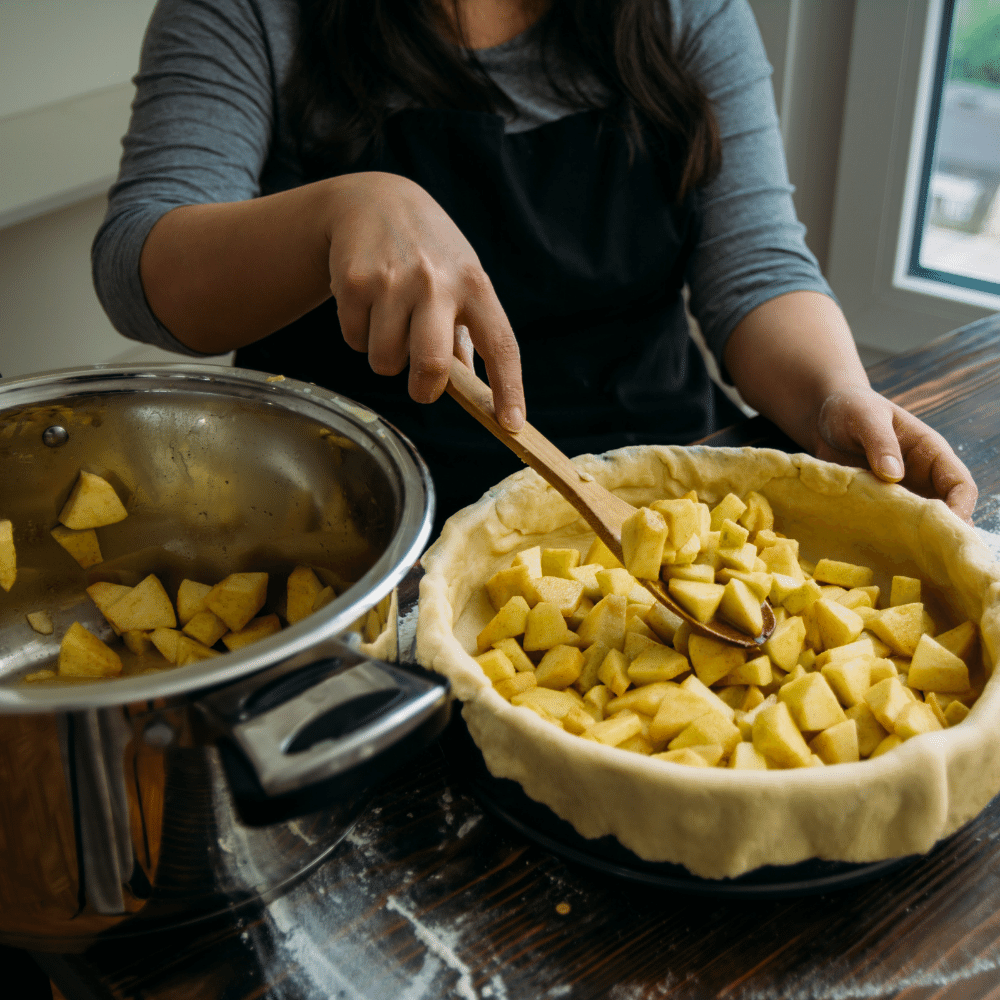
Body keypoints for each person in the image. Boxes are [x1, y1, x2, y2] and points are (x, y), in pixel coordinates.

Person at [93, 0, 977, 530]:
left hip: (664, 479)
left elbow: (756, 273)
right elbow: (142, 271)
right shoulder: (251, 11)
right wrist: (339, 209)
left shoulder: (687, 12)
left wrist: (834, 395)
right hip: (361, 522)